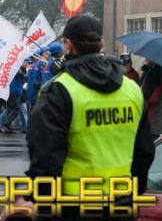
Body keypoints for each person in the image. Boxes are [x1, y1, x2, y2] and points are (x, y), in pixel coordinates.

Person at [21, 15, 155, 218]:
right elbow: (144, 150)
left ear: (67, 45)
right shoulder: (132, 89)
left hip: (74, 205)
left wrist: (46, 205)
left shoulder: (59, 90)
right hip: (122, 202)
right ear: (101, 44)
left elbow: (45, 156)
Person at [0, 63, 28, 133]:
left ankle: (6, 127)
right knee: (16, 109)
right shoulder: (14, 67)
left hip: (12, 92)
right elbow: (20, 75)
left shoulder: (14, 67)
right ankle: (4, 123)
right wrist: (25, 75)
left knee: (9, 109)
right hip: (13, 92)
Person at [140, 60, 162, 138]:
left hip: (152, 121)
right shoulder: (151, 68)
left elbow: (149, 97)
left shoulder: (156, 69)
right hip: (155, 122)